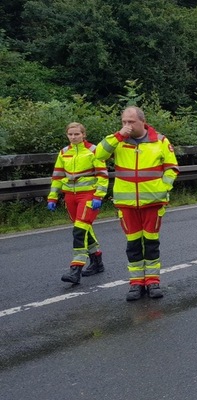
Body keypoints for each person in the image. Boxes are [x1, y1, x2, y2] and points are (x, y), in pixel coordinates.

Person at [95, 106, 179, 301]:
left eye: (131, 122)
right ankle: (135, 284)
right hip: (127, 204)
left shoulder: (160, 141)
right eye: (124, 122)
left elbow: (171, 168)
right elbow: (98, 154)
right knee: (133, 244)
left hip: (153, 202)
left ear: (142, 121)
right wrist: (118, 135)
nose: (127, 126)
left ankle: (152, 281)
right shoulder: (117, 141)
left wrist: (164, 188)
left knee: (150, 243)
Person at [48, 122, 108, 284]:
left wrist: (98, 196)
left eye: (77, 134)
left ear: (83, 134)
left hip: (88, 196)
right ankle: (97, 261)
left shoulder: (94, 151)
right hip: (70, 197)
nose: (73, 137)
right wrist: (52, 197)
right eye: (70, 134)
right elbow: (58, 177)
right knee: (84, 229)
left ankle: (75, 269)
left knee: (79, 231)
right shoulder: (64, 153)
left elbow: (102, 175)